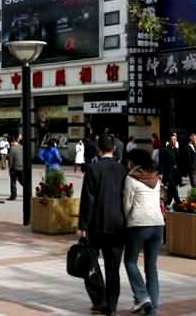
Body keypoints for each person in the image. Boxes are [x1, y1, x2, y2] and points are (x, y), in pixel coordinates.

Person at [77, 134, 127, 316]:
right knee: (113, 268)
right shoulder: (122, 169)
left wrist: (82, 225)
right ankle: (112, 307)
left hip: (96, 225)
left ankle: (100, 300)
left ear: (98, 149)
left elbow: (87, 199)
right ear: (113, 149)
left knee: (90, 264)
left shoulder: (93, 168)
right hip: (118, 225)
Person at [123, 149, 165, 316]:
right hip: (158, 224)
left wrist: (127, 221)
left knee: (130, 261)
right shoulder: (156, 177)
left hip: (139, 225)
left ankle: (142, 297)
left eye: (129, 161)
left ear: (133, 162)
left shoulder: (131, 179)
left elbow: (127, 205)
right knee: (151, 267)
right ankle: (152, 308)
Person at [158, 133, 181, 207]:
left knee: (171, 189)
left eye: (175, 139)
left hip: (176, 173)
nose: (173, 141)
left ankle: (167, 203)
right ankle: (178, 202)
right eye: (172, 140)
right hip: (168, 172)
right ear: (169, 141)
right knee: (173, 187)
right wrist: (161, 173)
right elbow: (161, 162)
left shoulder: (177, 150)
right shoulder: (164, 150)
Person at [8, 136, 23, 201]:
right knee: (22, 181)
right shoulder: (22, 147)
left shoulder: (12, 148)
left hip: (14, 168)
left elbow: (10, 159)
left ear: (12, 142)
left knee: (13, 182)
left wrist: (10, 168)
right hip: (22, 167)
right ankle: (28, 193)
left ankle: (13, 196)